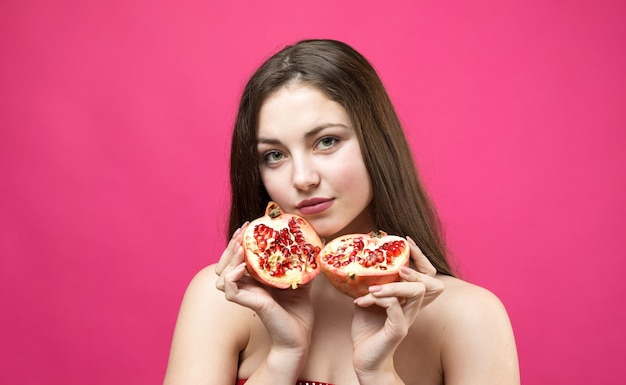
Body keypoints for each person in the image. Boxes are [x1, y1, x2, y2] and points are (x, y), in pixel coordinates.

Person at [163, 39, 520, 385]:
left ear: (376, 142)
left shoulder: (470, 319)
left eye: (326, 141)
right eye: (274, 155)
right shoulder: (219, 300)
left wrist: (378, 374)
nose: (302, 178)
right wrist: (283, 356)